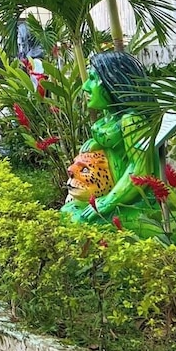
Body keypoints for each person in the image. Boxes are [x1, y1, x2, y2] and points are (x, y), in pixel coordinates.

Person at [64, 52, 161, 226]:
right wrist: (96, 143)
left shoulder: (132, 120)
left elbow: (140, 170)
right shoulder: (110, 116)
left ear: (113, 83)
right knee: (67, 213)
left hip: (137, 200)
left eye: (92, 79)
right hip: (113, 195)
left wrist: (107, 202)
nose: (85, 87)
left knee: (77, 220)